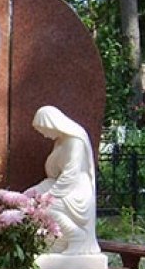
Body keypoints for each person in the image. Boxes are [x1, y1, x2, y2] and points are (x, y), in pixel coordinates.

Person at [28, 105, 100, 256]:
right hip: (61, 184)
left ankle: (76, 237)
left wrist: (48, 196)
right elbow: (54, 173)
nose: (44, 135)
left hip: (76, 190)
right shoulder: (60, 141)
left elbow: (70, 174)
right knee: (27, 199)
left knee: (45, 207)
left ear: (52, 123)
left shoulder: (75, 141)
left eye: (44, 130)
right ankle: (50, 241)